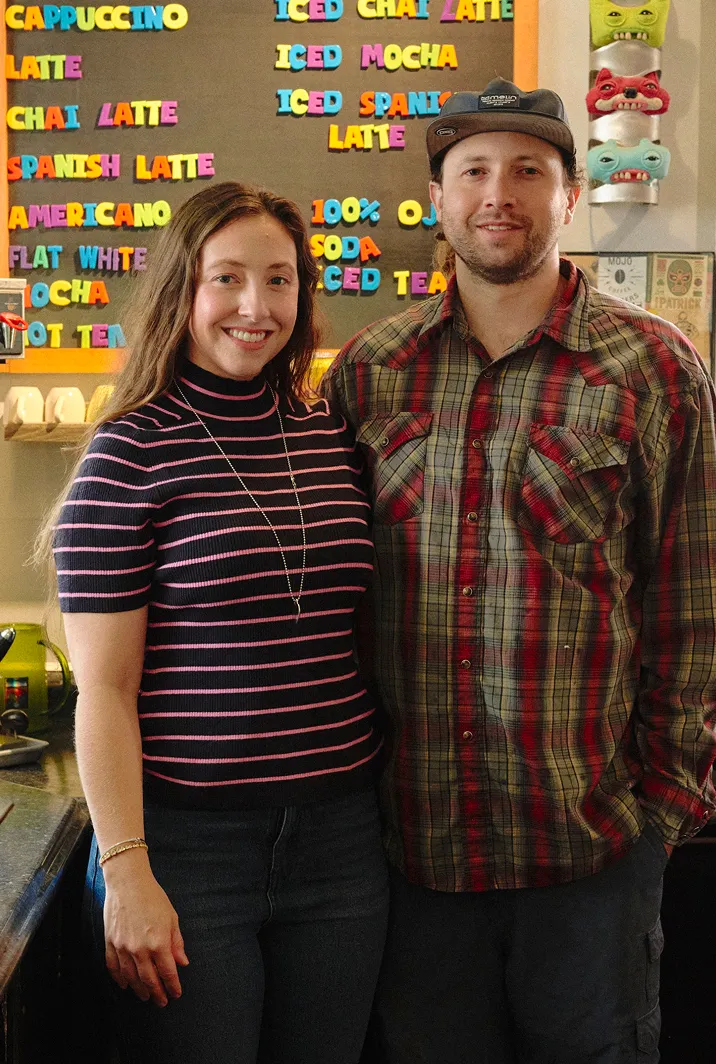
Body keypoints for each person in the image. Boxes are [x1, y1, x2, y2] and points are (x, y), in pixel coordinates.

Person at [324, 79, 716, 1063]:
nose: (495, 193)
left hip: (587, 856)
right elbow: (339, 608)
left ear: (568, 192)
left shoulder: (653, 368)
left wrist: (658, 816)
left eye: (525, 170)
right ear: (436, 195)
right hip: (412, 855)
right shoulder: (367, 372)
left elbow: (688, 609)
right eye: (471, 170)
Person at [47, 182, 388, 1064]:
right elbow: (105, 693)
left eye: (279, 281)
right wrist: (126, 871)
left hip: (342, 839)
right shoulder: (129, 450)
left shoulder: (327, 433)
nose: (255, 306)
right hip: (190, 850)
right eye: (227, 279)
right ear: (182, 292)